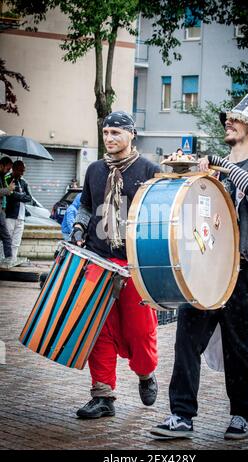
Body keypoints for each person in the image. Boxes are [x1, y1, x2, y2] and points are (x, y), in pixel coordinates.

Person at [151, 87, 248, 441]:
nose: (228, 122)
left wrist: (222, 165)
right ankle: (181, 416)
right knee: (186, 338)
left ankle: (240, 416)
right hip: (205, 267)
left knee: (238, 344)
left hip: (244, 269)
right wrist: (190, 172)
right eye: (229, 119)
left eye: (236, 120)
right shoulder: (213, 169)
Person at [71, 111, 160, 419]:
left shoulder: (149, 170)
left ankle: (146, 373)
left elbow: (159, 216)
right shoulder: (94, 169)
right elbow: (85, 205)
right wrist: (80, 228)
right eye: (106, 132)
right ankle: (103, 395)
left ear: (131, 134)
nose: (109, 138)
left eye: (115, 133)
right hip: (98, 258)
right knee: (98, 329)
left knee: (139, 330)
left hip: (134, 262)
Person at [5, 160, 35, 260]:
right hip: (10, 215)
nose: (22, 173)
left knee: (16, 242)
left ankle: (12, 260)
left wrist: (17, 195)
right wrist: (21, 196)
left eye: (23, 171)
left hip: (21, 216)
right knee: (7, 239)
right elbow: (10, 195)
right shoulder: (7, 179)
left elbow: (29, 198)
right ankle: (4, 260)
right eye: (20, 170)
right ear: (14, 169)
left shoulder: (23, 182)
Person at [0, 156, 14, 266]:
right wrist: (8, 189)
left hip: (2, 211)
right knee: (6, 237)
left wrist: (8, 189)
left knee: (5, 237)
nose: (8, 171)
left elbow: (6, 193)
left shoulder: (2, 177)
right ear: (1, 165)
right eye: (7, 168)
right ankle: (9, 260)